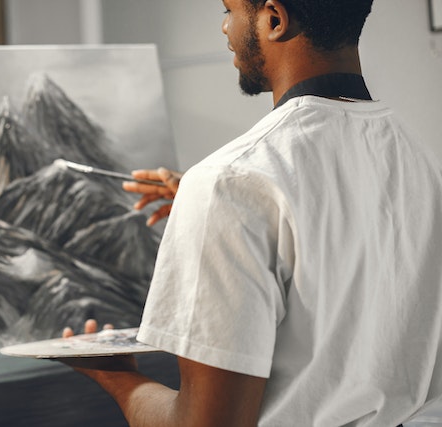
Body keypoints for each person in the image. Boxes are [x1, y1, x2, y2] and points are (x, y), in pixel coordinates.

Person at [62, 0, 442, 425]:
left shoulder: (229, 183)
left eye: (229, 9)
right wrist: (218, 204)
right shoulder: (420, 158)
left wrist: (115, 377)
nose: (225, 27)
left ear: (274, 19)